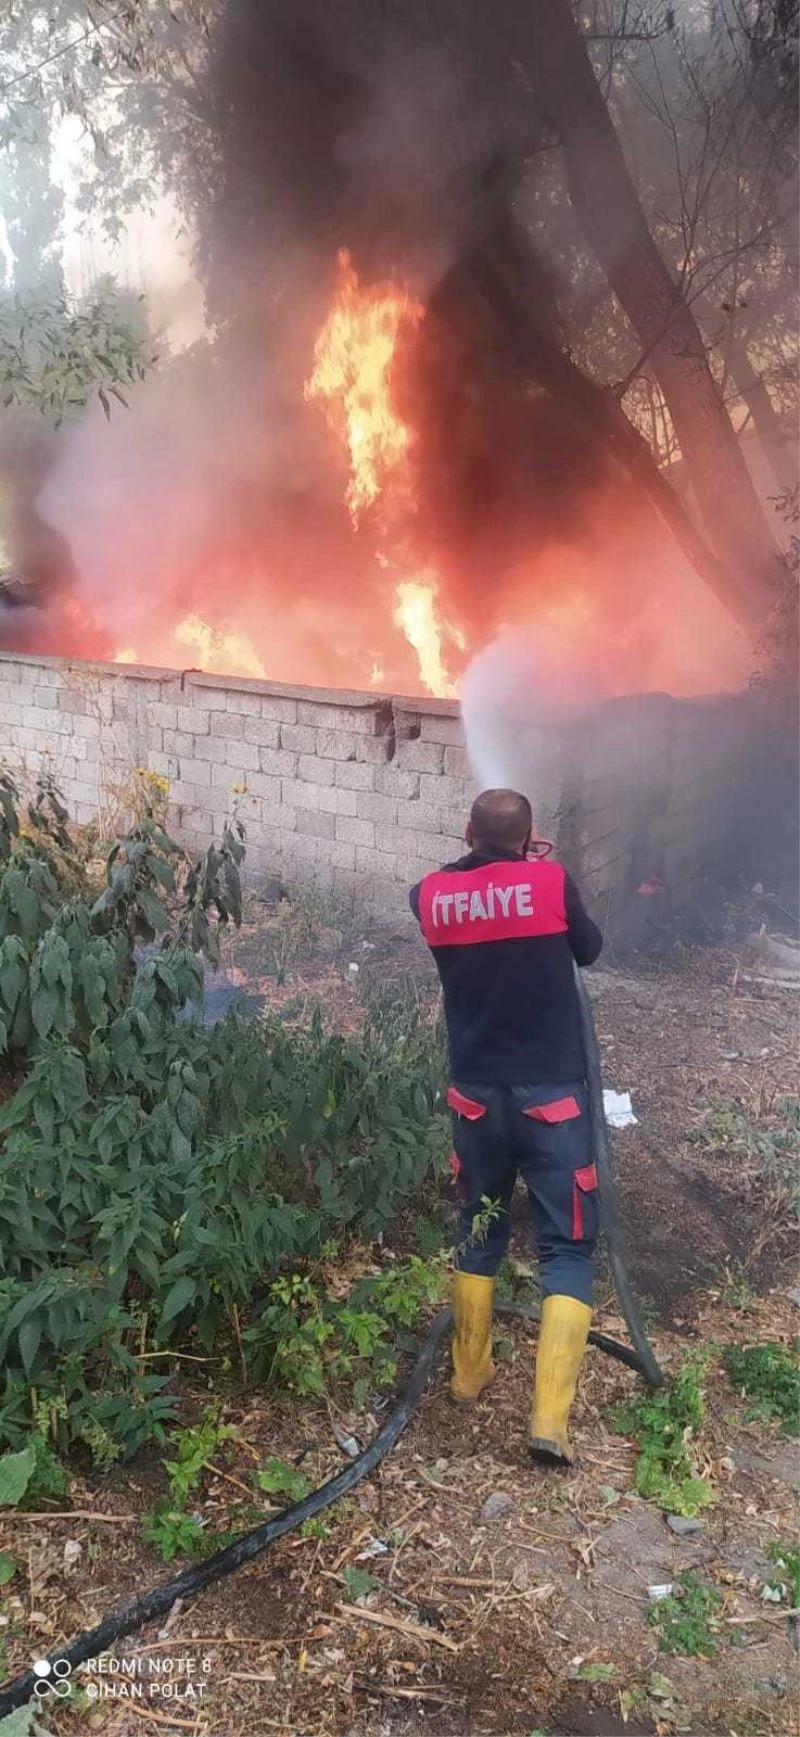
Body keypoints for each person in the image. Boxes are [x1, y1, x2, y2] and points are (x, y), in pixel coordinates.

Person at [410, 788, 603, 1465]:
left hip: (474, 1099)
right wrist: (528, 870)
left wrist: (481, 867)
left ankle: (469, 1374)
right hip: (551, 1101)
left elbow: (459, 888)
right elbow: (591, 947)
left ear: (467, 831)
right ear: (530, 837)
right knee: (568, 1248)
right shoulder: (550, 881)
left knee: (479, 1228)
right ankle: (548, 1420)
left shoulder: (429, 894)